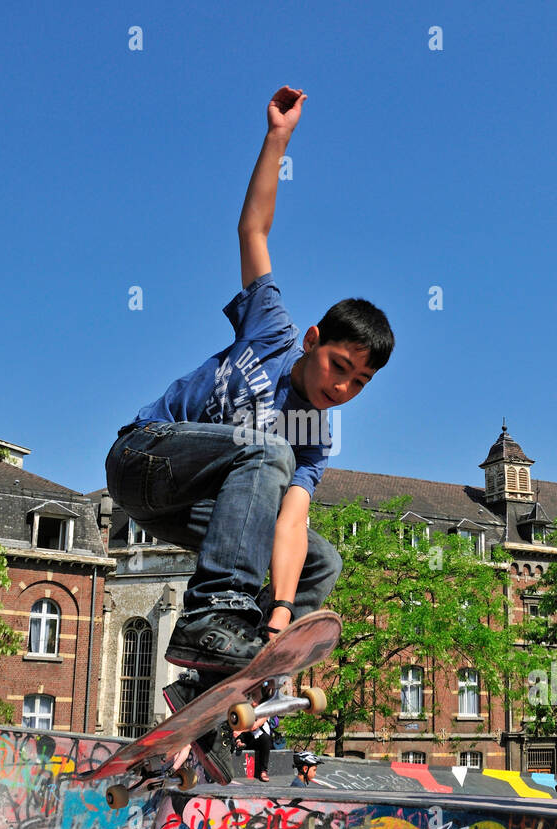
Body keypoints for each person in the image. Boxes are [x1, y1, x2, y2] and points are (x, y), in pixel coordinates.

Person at [107, 86, 394, 782]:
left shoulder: (317, 438)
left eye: (359, 383)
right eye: (338, 368)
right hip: (146, 461)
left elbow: (289, 524)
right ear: (316, 341)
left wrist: (279, 624)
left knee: (322, 559)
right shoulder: (271, 328)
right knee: (265, 449)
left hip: (200, 516)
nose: (341, 388)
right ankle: (214, 620)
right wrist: (277, 140)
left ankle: (217, 686)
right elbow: (254, 230)